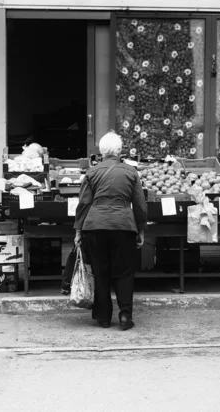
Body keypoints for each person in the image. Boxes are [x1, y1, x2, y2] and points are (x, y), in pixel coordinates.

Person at [69, 131, 147, 330]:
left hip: (95, 226)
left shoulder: (92, 172)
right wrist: (141, 230)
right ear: (120, 151)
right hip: (124, 226)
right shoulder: (131, 172)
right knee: (125, 272)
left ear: (101, 152)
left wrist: (78, 230)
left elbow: (84, 204)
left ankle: (103, 317)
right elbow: (140, 205)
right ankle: (125, 316)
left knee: (100, 271)